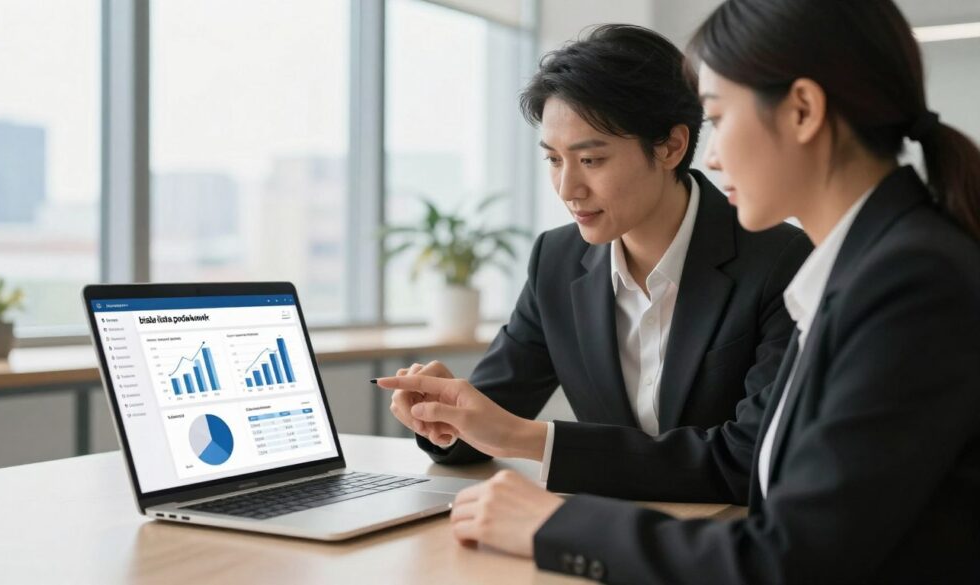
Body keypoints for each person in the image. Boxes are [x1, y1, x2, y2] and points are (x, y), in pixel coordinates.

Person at [376, 0, 980, 582]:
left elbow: (790, 551)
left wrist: (557, 524)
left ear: (801, 111)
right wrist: (450, 419)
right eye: (553, 160)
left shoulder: (905, 283)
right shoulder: (871, 266)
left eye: (717, 118)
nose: (711, 157)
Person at [388, 24, 811, 505]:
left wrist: (531, 439)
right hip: (606, 538)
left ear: (671, 146)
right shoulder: (557, 261)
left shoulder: (781, 261)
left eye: (590, 160)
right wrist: (443, 413)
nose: (568, 189)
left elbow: (749, 458)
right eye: (553, 160)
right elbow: (487, 420)